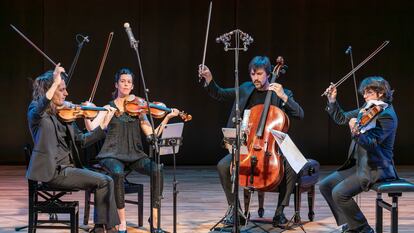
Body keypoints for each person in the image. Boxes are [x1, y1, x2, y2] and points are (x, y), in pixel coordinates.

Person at [198, 56, 304, 226]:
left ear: (269, 74)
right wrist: (209, 79)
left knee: (291, 167)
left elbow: (300, 114)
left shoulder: (280, 92)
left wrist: (284, 97)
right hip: (248, 146)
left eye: (259, 74)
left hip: (272, 147)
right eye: (252, 74)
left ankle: (279, 212)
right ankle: (236, 210)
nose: (255, 78)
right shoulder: (246, 88)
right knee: (223, 166)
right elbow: (220, 93)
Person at [26, 64, 119, 233]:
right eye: (61, 89)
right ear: (51, 90)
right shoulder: (36, 112)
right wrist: (55, 81)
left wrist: (103, 127)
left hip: (68, 169)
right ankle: (108, 229)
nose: (66, 93)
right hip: (52, 172)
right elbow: (41, 106)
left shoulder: (65, 114)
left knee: (106, 179)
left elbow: (82, 141)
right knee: (105, 181)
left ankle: (101, 228)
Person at [85, 68, 180, 233]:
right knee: (117, 173)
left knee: (157, 170)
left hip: (134, 154)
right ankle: (122, 221)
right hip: (112, 154)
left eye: (129, 82)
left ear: (132, 86)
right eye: (122, 81)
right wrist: (86, 114)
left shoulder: (139, 108)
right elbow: (92, 129)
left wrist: (166, 118)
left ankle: (155, 219)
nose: (126, 84)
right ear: (116, 84)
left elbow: (153, 135)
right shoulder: (109, 107)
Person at [319, 76, 398, 233]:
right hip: (358, 164)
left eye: (368, 92)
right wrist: (332, 101)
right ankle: (351, 224)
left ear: (381, 92)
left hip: (375, 168)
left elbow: (371, 143)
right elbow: (341, 118)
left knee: (339, 193)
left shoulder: (387, 115)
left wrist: (355, 131)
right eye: (364, 92)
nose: (364, 96)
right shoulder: (369, 108)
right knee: (325, 185)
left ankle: (363, 229)